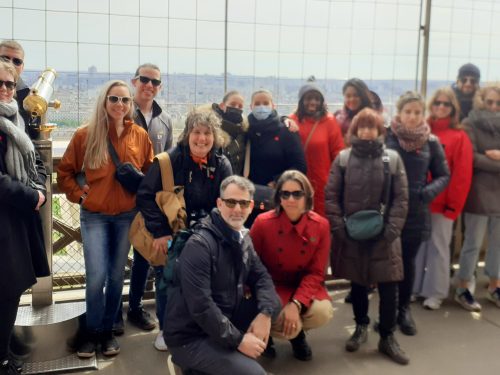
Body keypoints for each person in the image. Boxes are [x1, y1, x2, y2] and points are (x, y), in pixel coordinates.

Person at [57, 80, 154, 358]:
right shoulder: (85, 135)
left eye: (125, 100)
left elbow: (149, 175)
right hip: (95, 217)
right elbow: (64, 173)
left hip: (127, 216)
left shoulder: (139, 136)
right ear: (104, 102)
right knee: (96, 276)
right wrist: (80, 196)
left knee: (114, 277)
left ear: (131, 105)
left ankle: (108, 330)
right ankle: (92, 331)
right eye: (114, 99)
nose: (120, 105)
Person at [164, 175, 281, 375]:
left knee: (274, 305)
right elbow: (201, 306)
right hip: (190, 336)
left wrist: (265, 314)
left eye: (243, 203)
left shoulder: (242, 237)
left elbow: (261, 276)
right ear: (219, 203)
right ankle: (190, 365)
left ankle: (222, 360)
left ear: (251, 206)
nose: (237, 209)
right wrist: (240, 340)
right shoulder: (200, 245)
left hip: (223, 319)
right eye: (230, 202)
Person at [137, 107, 232, 347]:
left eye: (207, 133)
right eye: (197, 132)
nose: (202, 138)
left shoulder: (221, 164)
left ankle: (198, 328)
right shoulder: (169, 162)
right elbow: (146, 196)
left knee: (204, 283)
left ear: (215, 136)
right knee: (167, 281)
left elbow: (227, 200)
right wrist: (160, 232)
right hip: (172, 233)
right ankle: (167, 330)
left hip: (207, 235)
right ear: (187, 134)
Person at [325, 108, 409, 365]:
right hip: (353, 234)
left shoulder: (392, 159)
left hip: (385, 236)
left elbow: (401, 199)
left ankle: (387, 335)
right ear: (354, 130)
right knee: (358, 284)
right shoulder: (343, 158)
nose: (366, 132)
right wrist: (340, 229)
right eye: (361, 127)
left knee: (389, 288)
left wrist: (391, 230)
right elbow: (331, 197)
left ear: (380, 130)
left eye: (372, 127)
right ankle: (361, 326)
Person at [250, 170, 333, 361]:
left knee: (322, 312)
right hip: (271, 286)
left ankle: (297, 336)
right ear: (278, 197)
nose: (291, 199)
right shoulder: (262, 223)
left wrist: (296, 303)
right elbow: (252, 265)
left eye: (297, 193)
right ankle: (268, 335)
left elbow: (317, 272)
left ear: (307, 196)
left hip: (301, 286)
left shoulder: (321, 225)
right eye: (285, 193)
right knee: (275, 315)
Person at [119, 63, 174, 349]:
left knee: (143, 256)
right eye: (144, 79)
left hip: (151, 202)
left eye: (155, 81)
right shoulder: (122, 111)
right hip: (123, 198)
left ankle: (136, 307)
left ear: (160, 86)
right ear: (134, 81)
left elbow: (168, 162)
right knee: (118, 256)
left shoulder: (164, 120)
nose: (149, 85)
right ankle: (116, 311)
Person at [0, 60, 50, 375]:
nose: (5, 89)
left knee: (8, 294)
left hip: (15, 224)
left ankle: (3, 353)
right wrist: (32, 196)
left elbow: (37, 161)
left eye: (9, 83)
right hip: (8, 222)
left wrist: (40, 186)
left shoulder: (15, 120)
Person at [385, 91, 449, 336]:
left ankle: (404, 310)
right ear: (399, 113)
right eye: (408, 112)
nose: (412, 117)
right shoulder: (387, 137)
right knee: (388, 263)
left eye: (417, 112)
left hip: (416, 211)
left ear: (424, 114)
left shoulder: (430, 142)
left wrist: (426, 192)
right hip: (390, 211)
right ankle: (387, 313)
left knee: (408, 263)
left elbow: (443, 174)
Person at [413, 88, 473, 310]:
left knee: (439, 248)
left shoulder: (459, 137)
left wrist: (453, 207)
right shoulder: (420, 131)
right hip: (419, 203)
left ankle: (436, 292)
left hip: (442, 205)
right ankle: (414, 287)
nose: (440, 107)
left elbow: (462, 176)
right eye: (437, 102)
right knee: (417, 247)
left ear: (453, 109)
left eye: (446, 104)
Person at [455, 84, 500, 311]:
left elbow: (483, 159)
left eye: (498, 103)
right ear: (481, 101)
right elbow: (472, 158)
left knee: (498, 244)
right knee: (472, 242)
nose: (493, 107)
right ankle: (463, 287)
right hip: (478, 192)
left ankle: (495, 286)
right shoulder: (469, 123)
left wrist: (493, 157)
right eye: (489, 102)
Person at [245, 89, 306, 226]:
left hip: (279, 198)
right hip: (249, 201)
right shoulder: (246, 130)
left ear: (273, 106)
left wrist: (277, 181)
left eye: (265, 103)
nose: (261, 107)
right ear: (251, 107)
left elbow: (300, 166)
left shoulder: (286, 131)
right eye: (257, 103)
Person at [288, 81, 344, 217]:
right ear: (301, 101)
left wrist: (338, 182)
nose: (313, 102)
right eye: (308, 98)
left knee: (320, 222)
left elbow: (338, 154)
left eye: (317, 99)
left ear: (322, 102)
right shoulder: (291, 120)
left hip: (322, 185)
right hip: (296, 182)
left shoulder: (329, 122)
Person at [0, 40, 33, 137]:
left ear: (22, 67)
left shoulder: (28, 96)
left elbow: (33, 135)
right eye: (5, 59)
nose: (11, 64)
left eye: (17, 61)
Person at [211, 90, 247, 175]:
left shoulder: (243, 131)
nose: (236, 108)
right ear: (222, 106)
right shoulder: (210, 128)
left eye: (240, 106)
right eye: (233, 104)